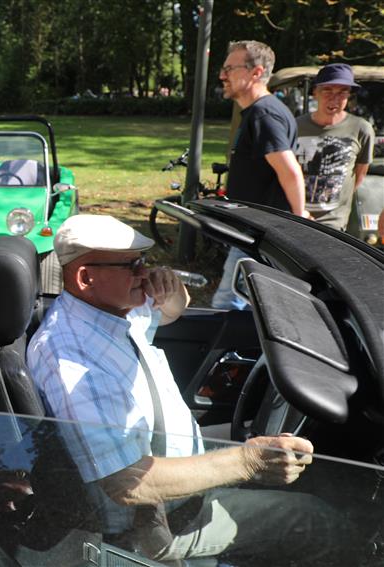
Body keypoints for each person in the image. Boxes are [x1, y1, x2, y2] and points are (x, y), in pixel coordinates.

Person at [27, 214, 355, 564]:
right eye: (132, 265)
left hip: (175, 472)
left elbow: (173, 310)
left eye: (144, 261)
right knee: (315, 519)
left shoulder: (109, 311)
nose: (144, 273)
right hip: (155, 522)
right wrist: (248, 461)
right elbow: (128, 484)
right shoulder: (71, 357)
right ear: (85, 277)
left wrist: (169, 288)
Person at [211, 40, 307, 310]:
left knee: (228, 305)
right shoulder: (259, 112)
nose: (222, 76)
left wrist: (299, 219)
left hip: (261, 235)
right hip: (255, 232)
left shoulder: (264, 114)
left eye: (230, 69)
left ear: (256, 72)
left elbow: (290, 171)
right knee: (255, 309)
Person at [295, 63, 374, 231]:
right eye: (327, 90)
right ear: (315, 92)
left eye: (342, 92)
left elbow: (359, 174)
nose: (334, 98)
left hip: (333, 224)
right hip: (294, 216)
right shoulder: (295, 126)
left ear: (349, 95)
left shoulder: (362, 129)